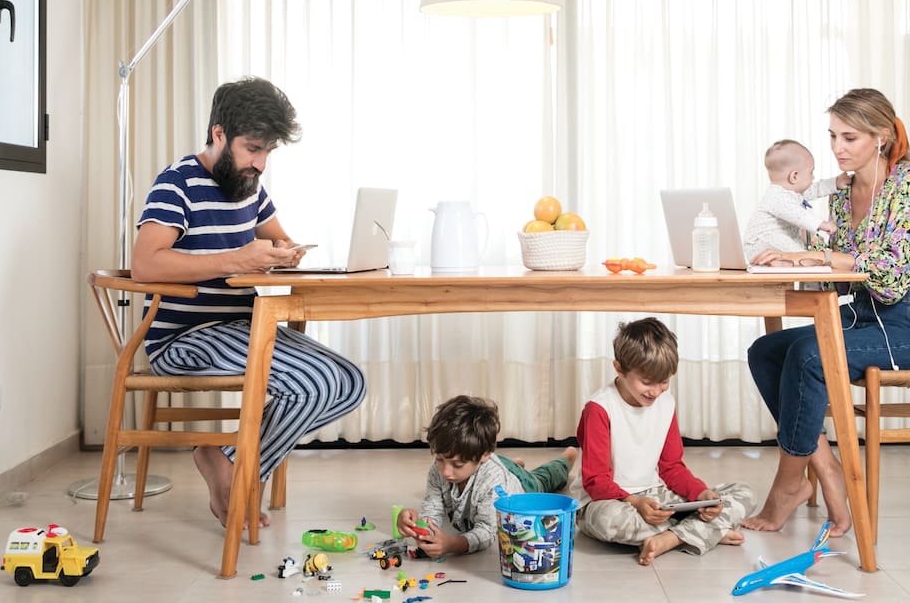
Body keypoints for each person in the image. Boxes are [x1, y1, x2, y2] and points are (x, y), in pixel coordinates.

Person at [131, 76, 366, 528]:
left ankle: (224, 459)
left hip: (242, 329)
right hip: (182, 338)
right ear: (219, 134)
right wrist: (238, 257)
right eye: (252, 148)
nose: (260, 163)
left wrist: (287, 254)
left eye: (267, 152)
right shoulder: (177, 183)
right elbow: (144, 264)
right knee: (310, 385)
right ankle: (234, 478)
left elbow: (279, 239)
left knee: (350, 382)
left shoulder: (249, 187)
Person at [743, 87, 910, 537]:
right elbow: (844, 278)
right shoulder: (842, 194)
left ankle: (787, 484)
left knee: (809, 354)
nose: (837, 148)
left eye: (850, 138)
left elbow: (894, 273)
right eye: (833, 136)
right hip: (865, 316)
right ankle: (824, 469)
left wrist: (819, 259)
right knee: (766, 351)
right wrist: (787, 255)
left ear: (881, 136)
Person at [571, 318, 756, 565]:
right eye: (647, 382)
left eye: (664, 381)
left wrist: (701, 494)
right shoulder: (599, 408)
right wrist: (635, 502)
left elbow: (671, 467)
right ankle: (704, 532)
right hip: (608, 501)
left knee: (745, 493)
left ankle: (671, 538)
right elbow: (595, 480)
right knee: (609, 521)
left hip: (656, 496)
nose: (656, 391)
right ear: (619, 368)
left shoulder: (666, 403)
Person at [394, 395, 578, 557]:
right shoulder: (441, 469)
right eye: (440, 459)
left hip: (523, 485)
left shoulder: (494, 480)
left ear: (484, 455)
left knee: (544, 478)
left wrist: (452, 545)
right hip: (492, 469)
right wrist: (420, 527)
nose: (446, 471)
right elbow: (432, 508)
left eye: (457, 464)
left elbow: (488, 531)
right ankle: (513, 465)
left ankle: (567, 457)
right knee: (499, 470)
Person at [742, 139, 850, 259]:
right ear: (794, 176)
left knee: (796, 249)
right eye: (811, 172)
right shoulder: (776, 196)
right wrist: (822, 224)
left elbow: (815, 189)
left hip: (773, 241)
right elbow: (798, 215)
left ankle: (783, 264)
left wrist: (835, 183)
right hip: (761, 241)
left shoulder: (791, 193)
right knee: (800, 254)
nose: (813, 177)